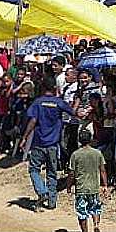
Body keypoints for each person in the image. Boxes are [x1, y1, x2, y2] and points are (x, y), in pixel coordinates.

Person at [19, 76, 82, 211]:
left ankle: (42, 192)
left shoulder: (38, 102)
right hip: (53, 145)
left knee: (34, 169)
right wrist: (78, 102)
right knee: (52, 173)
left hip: (38, 143)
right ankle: (52, 202)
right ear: (55, 88)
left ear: (42, 88)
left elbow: (32, 121)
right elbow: (73, 112)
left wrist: (24, 137)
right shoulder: (59, 102)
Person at [67, 129, 108, 232]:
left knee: (82, 213)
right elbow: (103, 170)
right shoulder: (97, 153)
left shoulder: (75, 155)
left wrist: (68, 186)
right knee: (95, 208)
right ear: (90, 139)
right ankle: (96, 225)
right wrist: (105, 185)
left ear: (79, 140)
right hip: (94, 188)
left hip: (81, 189)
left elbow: (71, 173)